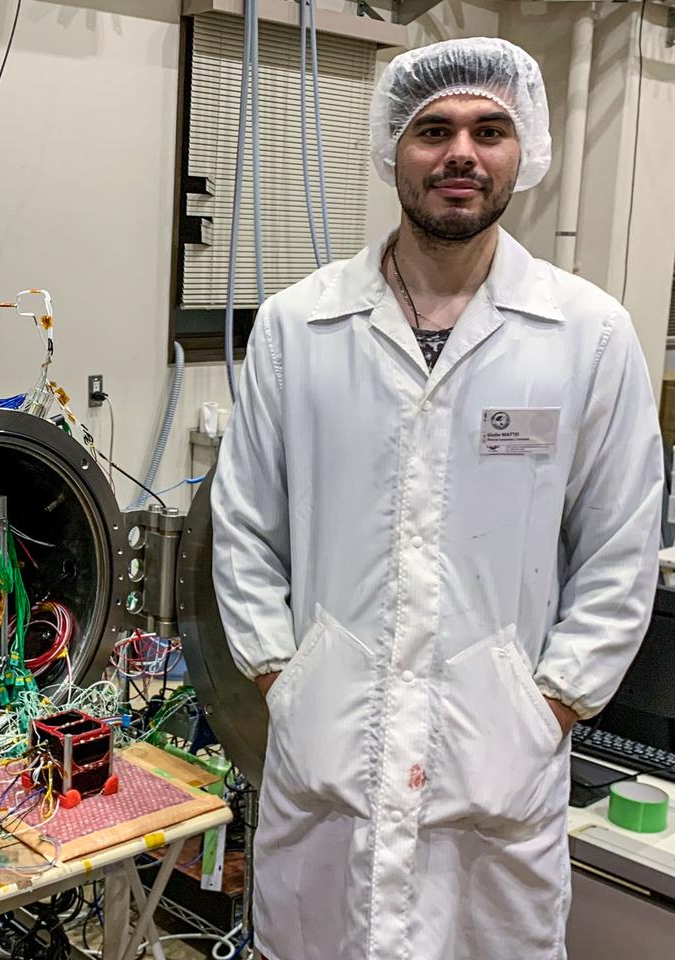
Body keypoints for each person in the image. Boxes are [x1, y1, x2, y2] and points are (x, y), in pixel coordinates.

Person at [211, 38, 663, 960]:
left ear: (522, 151)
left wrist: (549, 705)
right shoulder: (300, 325)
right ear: (394, 150)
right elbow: (245, 526)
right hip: (329, 764)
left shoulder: (588, 334)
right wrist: (286, 682)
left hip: (497, 772)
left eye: (489, 130)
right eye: (434, 130)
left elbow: (620, 544)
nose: (462, 152)